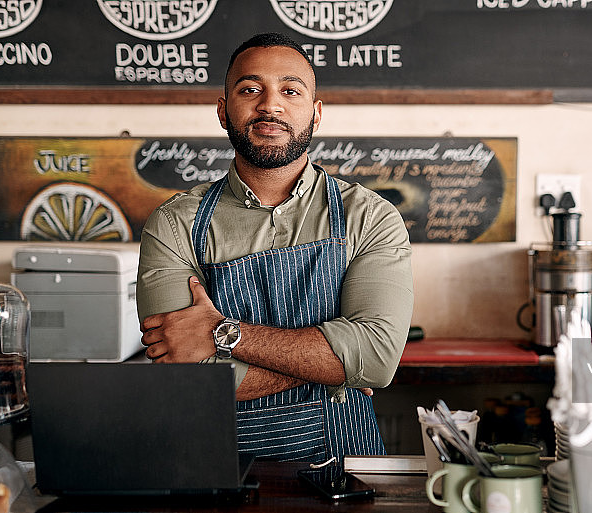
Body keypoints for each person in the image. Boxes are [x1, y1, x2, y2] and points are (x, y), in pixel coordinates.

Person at [136, 32, 414, 464]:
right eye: (250, 89)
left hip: (345, 468)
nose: (270, 105)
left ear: (316, 113)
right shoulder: (174, 223)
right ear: (223, 110)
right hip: (215, 466)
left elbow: (376, 359)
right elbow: (185, 379)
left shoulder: (370, 216)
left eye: (290, 90)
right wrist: (336, 370)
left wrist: (224, 334)